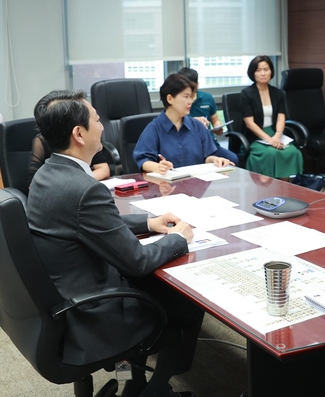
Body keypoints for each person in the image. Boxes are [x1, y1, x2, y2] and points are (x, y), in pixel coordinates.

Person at [26, 89, 201, 397]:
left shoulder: (47, 174)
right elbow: (138, 261)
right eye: (96, 119)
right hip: (92, 313)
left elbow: (90, 225)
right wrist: (177, 239)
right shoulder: (84, 189)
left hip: (64, 298)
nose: (103, 125)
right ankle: (156, 388)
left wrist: (148, 223)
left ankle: (137, 380)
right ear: (79, 133)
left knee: (154, 285)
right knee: (187, 298)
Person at [134, 73, 233, 175]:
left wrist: (215, 160)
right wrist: (158, 167)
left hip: (196, 184)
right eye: (185, 97)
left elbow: (207, 157)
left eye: (191, 97)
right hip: (166, 186)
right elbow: (143, 161)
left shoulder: (198, 126)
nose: (190, 102)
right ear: (170, 99)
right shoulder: (154, 128)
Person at [240, 56, 303, 178]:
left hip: (275, 133)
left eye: (266, 69)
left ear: (271, 71)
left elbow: (281, 117)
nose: (263, 73)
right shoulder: (246, 94)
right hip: (255, 136)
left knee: (293, 152)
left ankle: (288, 188)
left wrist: (278, 135)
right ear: (253, 73)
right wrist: (270, 140)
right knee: (271, 153)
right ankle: (268, 190)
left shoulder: (278, 93)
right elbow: (250, 124)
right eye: (258, 70)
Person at [177, 67, 239, 166]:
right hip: (189, 146)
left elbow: (215, 120)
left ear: (197, 84)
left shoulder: (207, 98)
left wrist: (218, 127)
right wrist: (193, 121)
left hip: (210, 145)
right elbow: (174, 122)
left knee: (232, 159)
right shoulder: (178, 101)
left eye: (191, 86)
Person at [27, 133, 110, 186]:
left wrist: (77, 183)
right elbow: (33, 184)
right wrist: (76, 183)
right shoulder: (41, 141)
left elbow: (103, 169)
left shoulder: (84, 136)